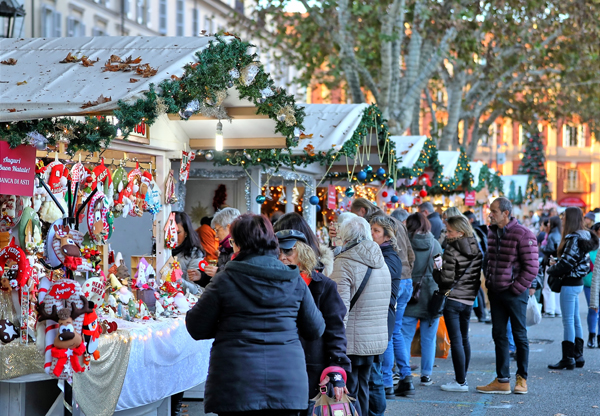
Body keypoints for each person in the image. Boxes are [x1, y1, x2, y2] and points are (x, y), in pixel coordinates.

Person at [185, 214, 326, 416]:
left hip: (236, 383)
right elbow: (315, 328)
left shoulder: (224, 280)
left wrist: (226, 327)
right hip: (286, 383)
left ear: (240, 243)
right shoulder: (293, 280)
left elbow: (196, 327)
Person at [275, 229, 351, 403]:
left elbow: (336, 331)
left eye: (288, 251)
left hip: (312, 371)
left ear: (302, 252)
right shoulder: (269, 285)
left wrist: (337, 368)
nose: (282, 257)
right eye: (277, 252)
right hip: (278, 368)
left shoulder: (324, 286)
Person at [329, 215, 391, 416]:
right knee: (363, 388)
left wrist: (334, 342)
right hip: (374, 339)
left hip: (352, 341)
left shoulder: (344, 263)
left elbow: (340, 309)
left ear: (345, 238)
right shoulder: (381, 262)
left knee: (349, 392)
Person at [476, 198, 538, 395]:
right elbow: (488, 259)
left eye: (494, 211)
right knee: (499, 335)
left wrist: (515, 288)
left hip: (514, 293)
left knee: (519, 336)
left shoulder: (523, 234)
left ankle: (522, 379)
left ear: (505, 213)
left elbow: (532, 267)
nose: (490, 214)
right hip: (496, 292)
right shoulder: (492, 232)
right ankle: (502, 380)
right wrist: (489, 281)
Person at [432, 216, 483, 392]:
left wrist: (436, 270)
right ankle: (463, 377)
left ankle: (460, 381)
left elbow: (445, 281)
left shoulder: (452, 249)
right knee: (464, 338)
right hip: (469, 298)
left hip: (453, 299)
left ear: (460, 232)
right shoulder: (475, 246)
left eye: (450, 231)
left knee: (456, 341)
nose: (447, 234)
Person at [396, 212, 443, 396]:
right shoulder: (435, 244)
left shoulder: (405, 243)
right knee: (428, 338)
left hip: (410, 294)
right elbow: (440, 270)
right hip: (431, 295)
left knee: (405, 336)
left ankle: (405, 374)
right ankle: (426, 375)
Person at [547, 207, 599, 370]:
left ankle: (568, 357)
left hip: (570, 283)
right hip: (578, 282)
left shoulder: (573, 238)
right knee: (575, 319)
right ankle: (578, 355)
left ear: (569, 219)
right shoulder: (584, 236)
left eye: (564, 217)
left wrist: (551, 269)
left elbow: (567, 263)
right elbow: (576, 261)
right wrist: (559, 261)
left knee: (568, 320)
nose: (562, 219)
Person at [369, 216, 404, 400]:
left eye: (376, 231)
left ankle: (386, 384)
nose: (372, 233)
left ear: (387, 236)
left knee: (381, 354)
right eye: (371, 229)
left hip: (384, 311)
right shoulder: (379, 252)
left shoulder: (390, 257)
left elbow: (379, 282)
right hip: (378, 311)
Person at [199, 207, 240, 287]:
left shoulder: (240, 249)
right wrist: (201, 277)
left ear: (229, 228)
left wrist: (218, 272)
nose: (216, 236)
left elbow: (238, 280)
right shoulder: (224, 249)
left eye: (217, 230)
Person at [463, 210, 490, 323]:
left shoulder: (471, 232)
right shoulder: (475, 231)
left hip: (473, 265)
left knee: (476, 289)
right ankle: (482, 313)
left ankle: (481, 313)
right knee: (477, 289)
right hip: (476, 265)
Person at [172, 211, 204, 295]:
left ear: (186, 233)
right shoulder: (159, 250)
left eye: (178, 232)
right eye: (170, 232)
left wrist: (177, 279)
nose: (173, 236)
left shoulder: (195, 254)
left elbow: (196, 290)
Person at [541, 216, 562, 318]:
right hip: (558, 262)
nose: (547, 224)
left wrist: (542, 247)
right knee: (557, 286)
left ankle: (549, 310)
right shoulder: (561, 234)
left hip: (550, 262)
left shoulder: (551, 235)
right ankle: (557, 309)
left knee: (548, 286)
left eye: (549, 222)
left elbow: (548, 249)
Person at [584, 223, 600, 347]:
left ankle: (599, 337)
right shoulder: (589, 246)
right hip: (589, 282)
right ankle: (592, 335)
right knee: (593, 309)